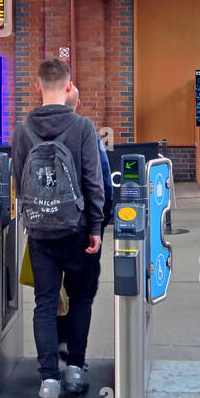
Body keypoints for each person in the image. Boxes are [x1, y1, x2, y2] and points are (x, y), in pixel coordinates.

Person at [11, 58, 105, 398]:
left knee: (45, 304)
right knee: (81, 298)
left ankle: (48, 380)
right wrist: (95, 227)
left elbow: (20, 182)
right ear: (69, 86)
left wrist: (35, 216)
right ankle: (76, 370)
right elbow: (93, 182)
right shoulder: (82, 127)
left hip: (39, 232)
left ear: (38, 86)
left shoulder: (22, 130)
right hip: (77, 230)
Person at [59, 81, 112, 363]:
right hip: (81, 229)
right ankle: (75, 364)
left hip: (44, 226)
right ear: (77, 105)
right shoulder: (86, 132)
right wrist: (100, 222)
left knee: (51, 296)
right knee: (82, 294)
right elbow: (101, 183)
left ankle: (51, 363)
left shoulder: (31, 129)